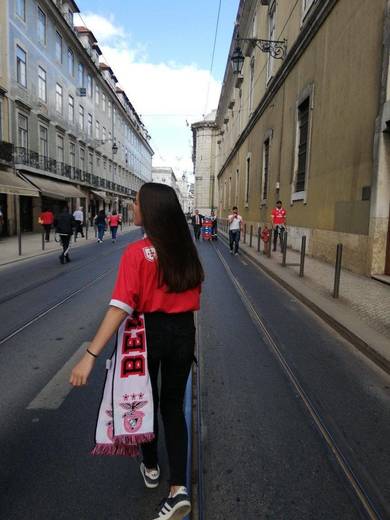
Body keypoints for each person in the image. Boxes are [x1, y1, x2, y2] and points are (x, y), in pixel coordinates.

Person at [70, 183, 204, 520]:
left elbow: (119, 307)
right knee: (173, 407)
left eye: (137, 201)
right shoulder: (186, 251)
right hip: (183, 333)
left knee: (146, 401)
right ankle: (178, 489)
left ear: (151, 210)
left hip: (146, 334)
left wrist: (90, 354)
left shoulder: (136, 252)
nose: (133, 205)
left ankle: (151, 464)